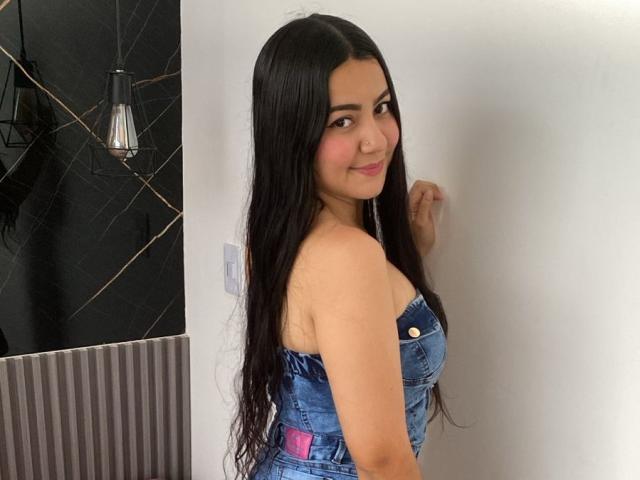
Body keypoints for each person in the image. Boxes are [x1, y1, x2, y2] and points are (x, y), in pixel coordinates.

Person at [227, 12, 461, 480]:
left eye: (381, 107)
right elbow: (381, 462)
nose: (375, 139)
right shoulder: (348, 257)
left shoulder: (276, 236)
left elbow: (331, 332)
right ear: (293, 132)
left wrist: (408, 255)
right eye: (342, 121)